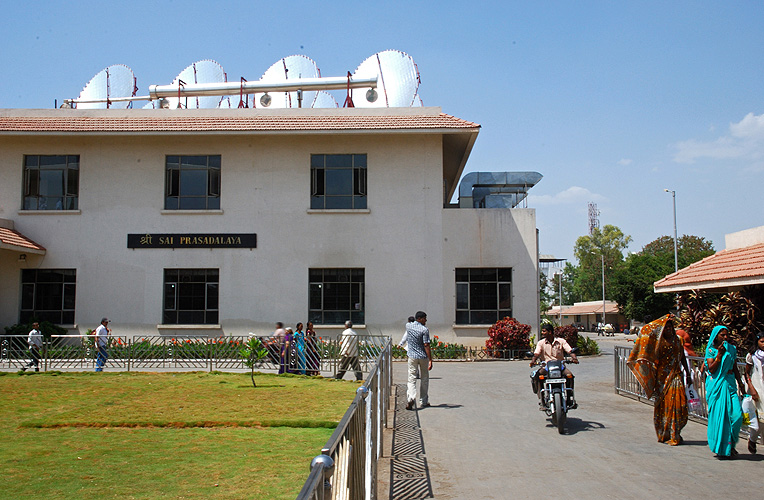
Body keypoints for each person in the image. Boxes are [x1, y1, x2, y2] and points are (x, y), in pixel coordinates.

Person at [627, 315, 690, 445]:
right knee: (665, 405)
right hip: (662, 377)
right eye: (665, 327)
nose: (668, 329)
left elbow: (682, 356)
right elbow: (646, 331)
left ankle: (676, 432)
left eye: (670, 326)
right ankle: (667, 433)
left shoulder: (679, 340)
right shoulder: (658, 342)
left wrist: (688, 373)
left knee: (680, 404)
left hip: (676, 375)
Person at [704, 325, 745, 458]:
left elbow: (734, 366)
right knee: (720, 417)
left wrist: (741, 384)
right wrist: (719, 356)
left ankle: (731, 443)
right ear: (716, 336)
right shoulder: (710, 350)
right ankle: (723, 447)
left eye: (727, 334)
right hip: (716, 385)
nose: (726, 337)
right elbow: (711, 369)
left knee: (737, 416)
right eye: (723, 335)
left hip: (730, 384)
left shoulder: (732, 349)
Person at [530, 323, 579, 407]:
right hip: (546, 367)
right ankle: (542, 399)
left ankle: (570, 398)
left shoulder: (561, 341)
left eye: (544, 331)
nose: (542, 333)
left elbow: (570, 351)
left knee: (570, 376)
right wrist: (533, 361)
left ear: (550, 332)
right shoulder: (541, 343)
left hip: (560, 366)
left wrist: (574, 358)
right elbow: (536, 354)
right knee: (538, 376)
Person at [403, 311, 433, 410]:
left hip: (412, 356)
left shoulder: (408, 326)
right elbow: (426, 345)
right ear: (419, 319)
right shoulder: (424, 330)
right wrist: (430, 360)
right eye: (424, 318)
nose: (426, 320)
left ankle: (411, 397)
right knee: (424, 378)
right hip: (423, 357)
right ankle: (423, 401)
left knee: (411, 378)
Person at [744, 331, 764, 454]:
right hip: (758, 389)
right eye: (762, 341)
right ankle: (752, 439)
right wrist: (751, 388)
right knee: (758, 419)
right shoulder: (753, 356)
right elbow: (746, 373)